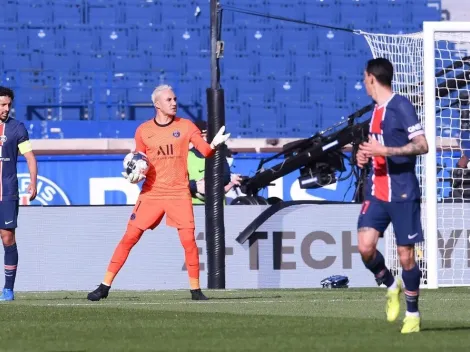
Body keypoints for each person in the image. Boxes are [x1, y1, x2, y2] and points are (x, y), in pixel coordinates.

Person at [87, 85, 230, 301]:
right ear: (157, 104)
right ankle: (104, 286)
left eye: (175, 99)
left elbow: (205, 151)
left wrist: (215, 146)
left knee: (189, 241)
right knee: (129, 238)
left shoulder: (186, 126)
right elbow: (138, 161)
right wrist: (133, 174)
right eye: (169, 99)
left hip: (179, 193)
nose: (174, 103)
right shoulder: (144, 130)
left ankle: (195, 290)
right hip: (152, 193)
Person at [356, 58, 429, 334]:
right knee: (365, 247)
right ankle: (390, 284)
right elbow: (375, 147)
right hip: (376, 191)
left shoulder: (401, 106)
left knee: (406, 256)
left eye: (364, 78)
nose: (364, 82)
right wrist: (364, 155)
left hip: (402, 191)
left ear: (372, 78)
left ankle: (412, 314)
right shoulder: (375, 111)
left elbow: (422, 146)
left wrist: (386, 152)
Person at [0, 86, 38, 301]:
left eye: (9, 104)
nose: (6, 108)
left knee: (7, 237)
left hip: (7, 192)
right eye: (2, 105)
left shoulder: (17, 128)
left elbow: (30, 157)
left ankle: (8, 289)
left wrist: (33, 182)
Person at [187, 119, 242, 204]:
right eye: (201, 136)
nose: (204, 139)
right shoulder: (185, 156)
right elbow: (176, 183)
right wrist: (196, 186)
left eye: (206, 136)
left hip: (217, 206)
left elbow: (225, 177)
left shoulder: (218, 155)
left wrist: (209, 182)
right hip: (193, 206)